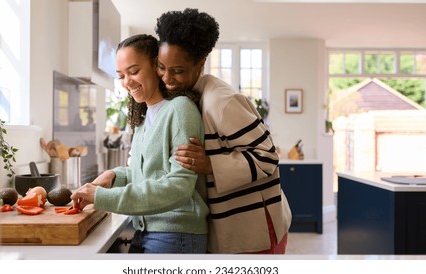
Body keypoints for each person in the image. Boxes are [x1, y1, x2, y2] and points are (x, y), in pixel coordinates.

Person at [155, 8, 292, 254]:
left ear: (200, 63)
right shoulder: (187, 97)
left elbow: (268, 157)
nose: (167, 78)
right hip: (228, 229)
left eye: (178, 70)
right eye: (161, 67)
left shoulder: (222, 101)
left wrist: (209, 164)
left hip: (256, 230)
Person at [71, 34, 209, 254]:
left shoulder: (180, 109)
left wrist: (102, 197)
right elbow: (150, 173)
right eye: (121, 75)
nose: (127, 82)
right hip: (147, 232)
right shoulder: (143, 121)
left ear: (157, 66)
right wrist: (115, 176)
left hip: (176, 235)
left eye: (134, 71)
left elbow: (179, 187)